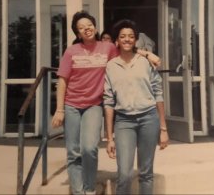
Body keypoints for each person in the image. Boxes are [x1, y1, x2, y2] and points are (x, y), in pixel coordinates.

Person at [51, 10, 161, 195]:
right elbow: (62, 81)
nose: (86, 29)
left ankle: (89, 187)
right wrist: (59, 109)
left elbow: (127, 47)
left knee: (89, 148)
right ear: (77, 33)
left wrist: (148, 54)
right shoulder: (71, 51)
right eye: (81, 27)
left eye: (89, 25)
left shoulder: (107, 47)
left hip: (94, 104)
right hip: (71, 105)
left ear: (95, 27)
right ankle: (80, 192)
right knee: (73, 152)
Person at [104, 19, 169, 195]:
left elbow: (158, 94)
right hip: (124, 122)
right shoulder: (110, 66)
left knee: (146, 173)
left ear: (135, 40)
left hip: (149, 119)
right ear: (116, 40)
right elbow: (108, 102)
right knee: (124, 174)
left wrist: (163, 128)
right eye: (123, 36)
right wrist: (109, 137)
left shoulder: (146, 62)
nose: (127, 39)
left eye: (131, 36)